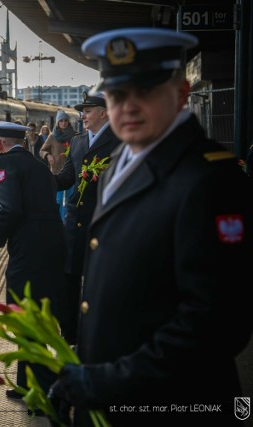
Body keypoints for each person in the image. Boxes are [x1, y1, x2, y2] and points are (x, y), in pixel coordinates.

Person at [48, 28, 253, 427]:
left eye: (145, 92)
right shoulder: (121, 165)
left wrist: (105, 381)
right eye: (118, 95)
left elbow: (217, 326)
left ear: (180, 93)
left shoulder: (211, 179)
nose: (129, 107)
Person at [0, 121, 68, 399]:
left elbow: (10, 208)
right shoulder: (37, 165)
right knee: (38, 312)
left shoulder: (3, 164)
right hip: (52, 243)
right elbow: (34, 205)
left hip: (29, 250)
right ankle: (27, 382)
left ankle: (40, 387)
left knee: (22, 311)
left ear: (0, 143)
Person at [51, 93, 121, 344]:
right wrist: (41, 179)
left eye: (88, 111)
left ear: (104, 112)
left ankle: (96, 335)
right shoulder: (79, 141)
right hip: (74, 222)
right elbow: (67, 176)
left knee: (98, 279)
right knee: (68, 278)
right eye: (83, 111)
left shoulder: (120, 141)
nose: (83, 115)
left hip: (101, 223)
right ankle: (69, 333)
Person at [40, 111, 78, 220]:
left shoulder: (75, 135)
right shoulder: (52, 136)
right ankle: (59, 220)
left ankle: (68, 220)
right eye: (61, 121)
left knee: (71, 199)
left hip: (71, 172)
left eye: (66, 120)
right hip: (56, 172)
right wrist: (47, 155)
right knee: (58, 199)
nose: (64, 123)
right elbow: (42, 150)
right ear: (57, 123)